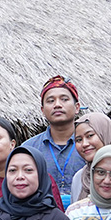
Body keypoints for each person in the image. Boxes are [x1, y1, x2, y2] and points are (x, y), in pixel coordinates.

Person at [33, 75, 85, 207]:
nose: (57, 105)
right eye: (50, 101)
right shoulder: (30, 149)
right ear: (43, 110)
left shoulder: (91, 145)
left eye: (64, 99)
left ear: (77, 107)